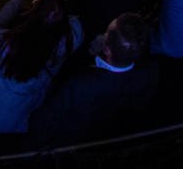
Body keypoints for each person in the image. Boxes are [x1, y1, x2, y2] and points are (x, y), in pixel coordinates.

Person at [29, 13, 158, 145]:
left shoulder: (78, 84)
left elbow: (42, 123)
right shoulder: (150, 73)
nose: (103, 34)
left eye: (106, 32)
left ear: (107, 50)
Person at [0, 0, 82, 137]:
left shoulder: (7, 45)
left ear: (31, 15)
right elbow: (74, 22)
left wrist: (17, 1)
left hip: (1, 104)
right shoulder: (70, 41)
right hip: (33, 100)